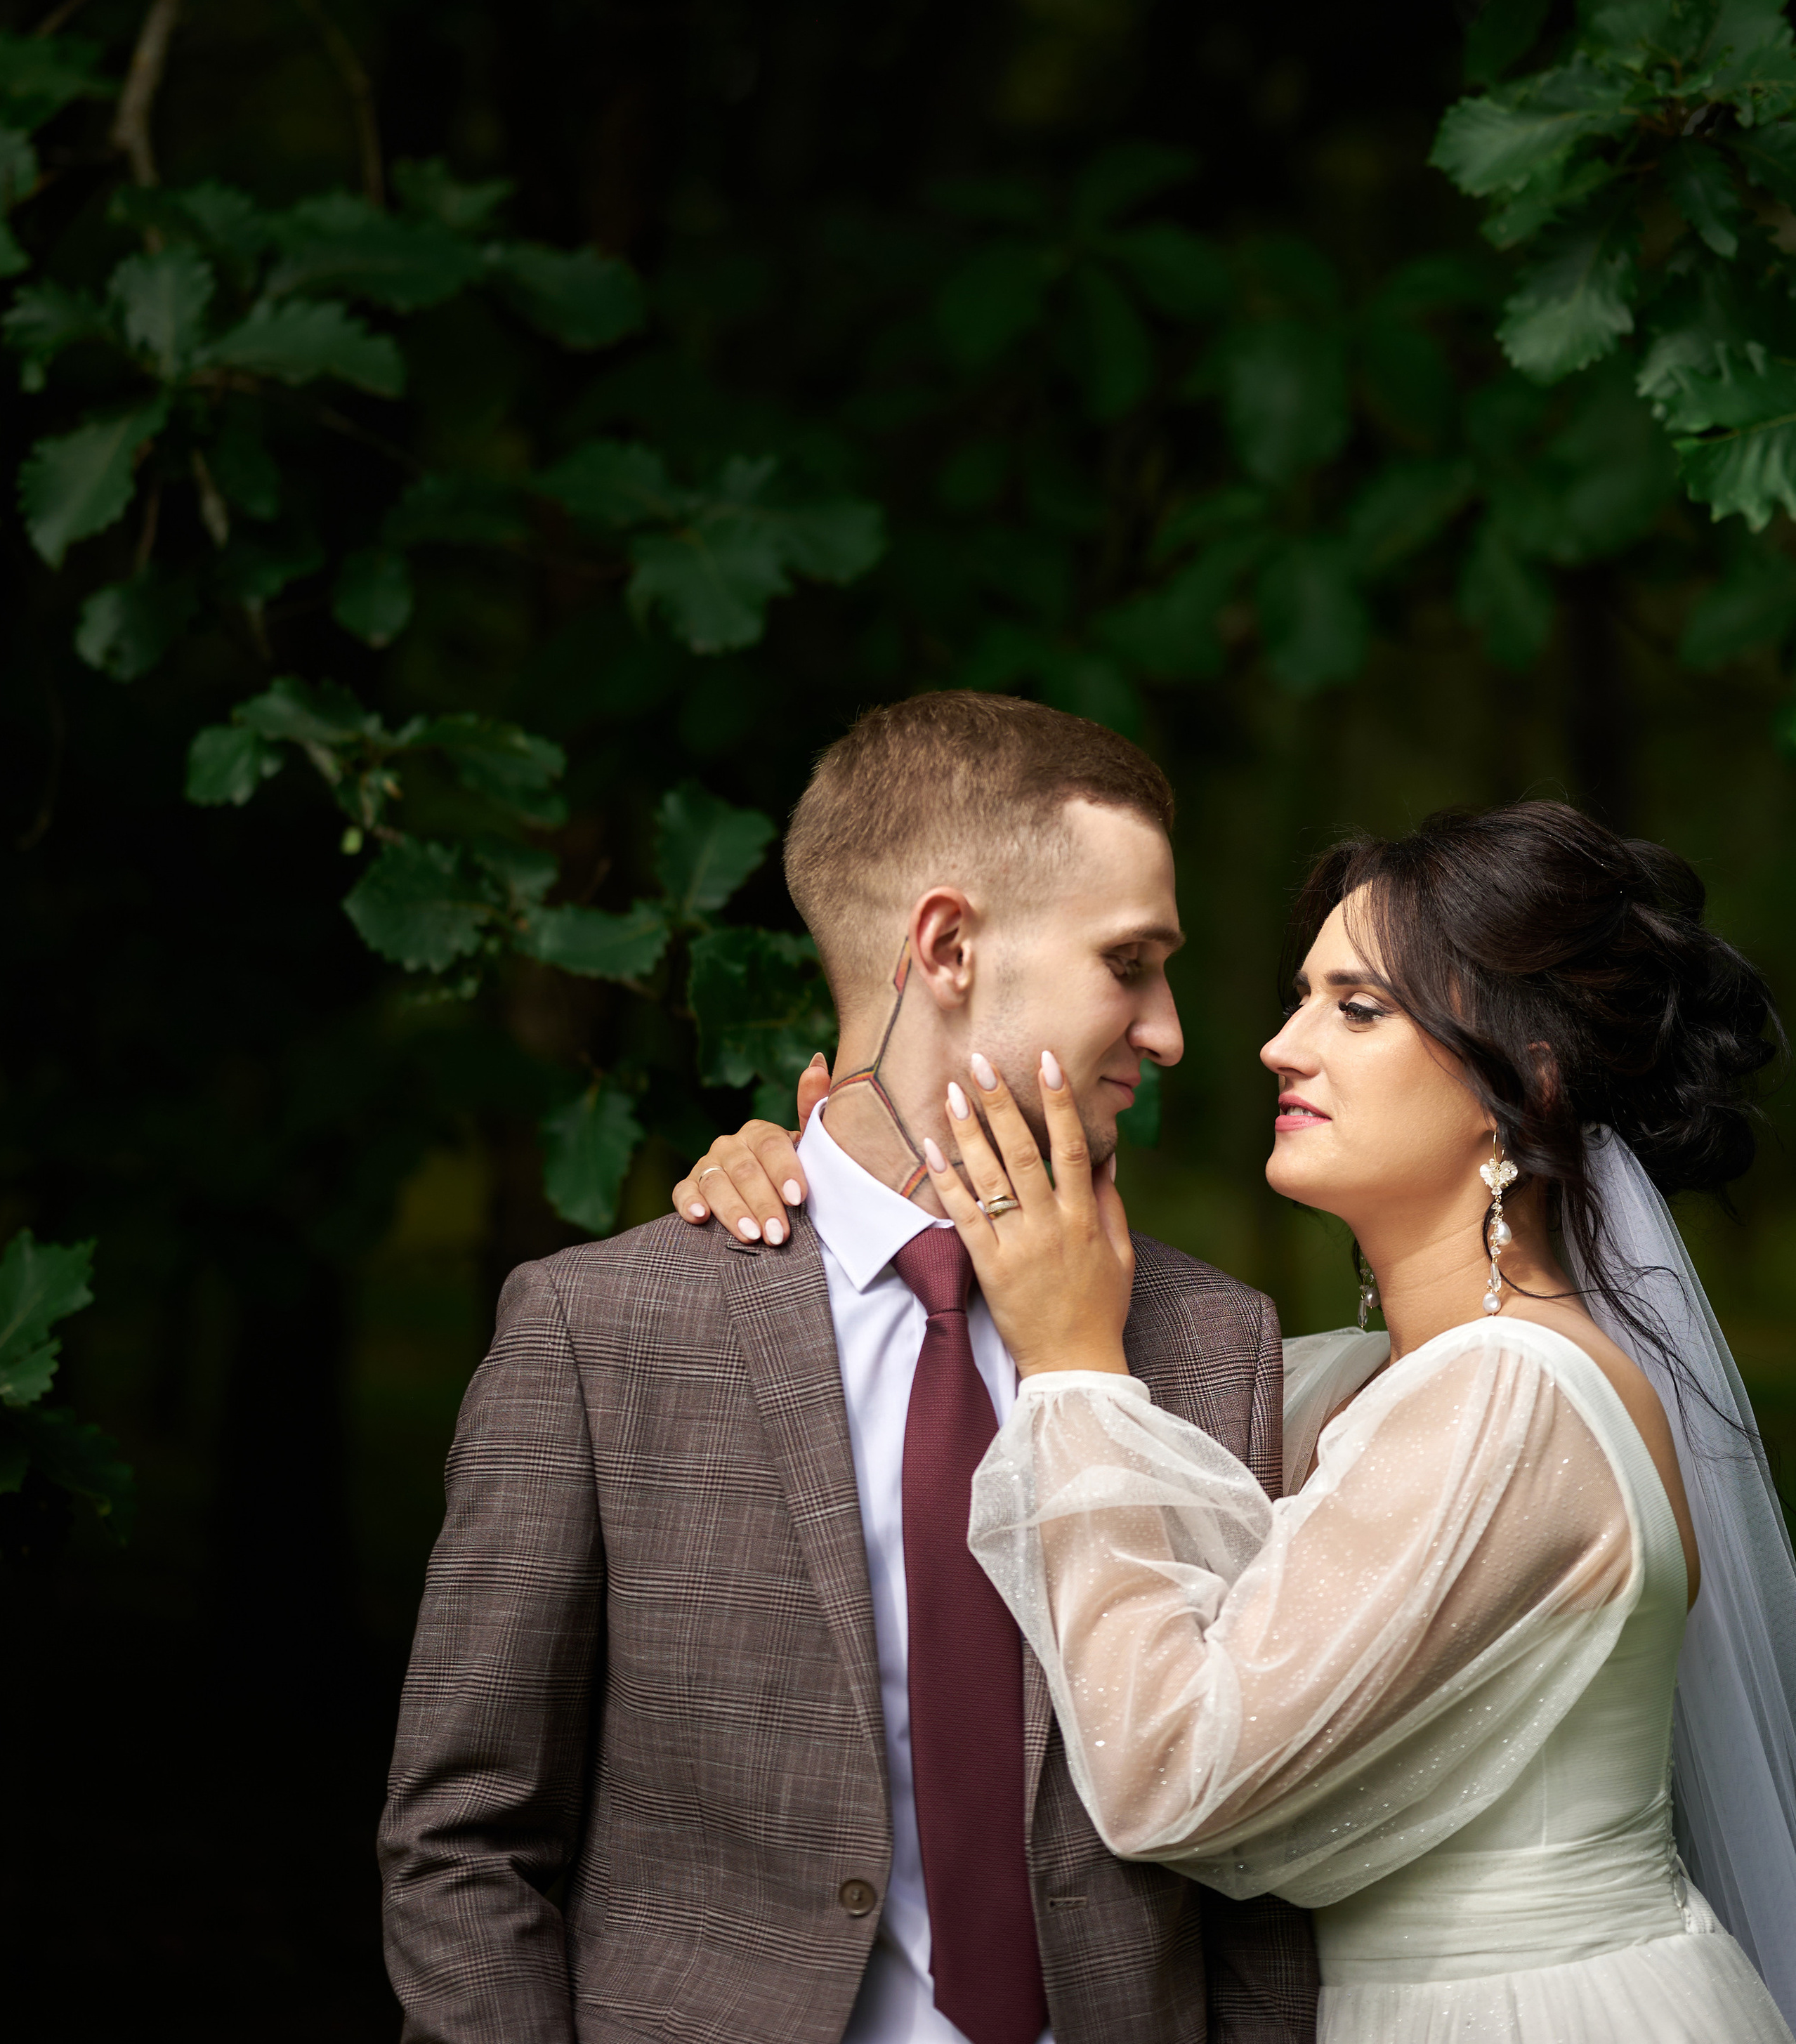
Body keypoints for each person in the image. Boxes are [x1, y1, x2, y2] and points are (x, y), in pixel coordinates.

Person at [379, 693, 1317, 2044]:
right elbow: (466, 1841)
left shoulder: (1211, 1342)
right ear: (946, 947)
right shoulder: (603, 1330)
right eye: (1131, 962)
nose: (1170, 1031)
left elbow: (1254, 1870)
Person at [900, 804, 1796, 2044]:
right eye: (1301, 998)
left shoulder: (1512, 1401)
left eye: (1357, 1008)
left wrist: (1069, 1363)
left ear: (1521, 1081)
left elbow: (1171, 1772)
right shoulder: (1358, 1383)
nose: (1278, 1045)